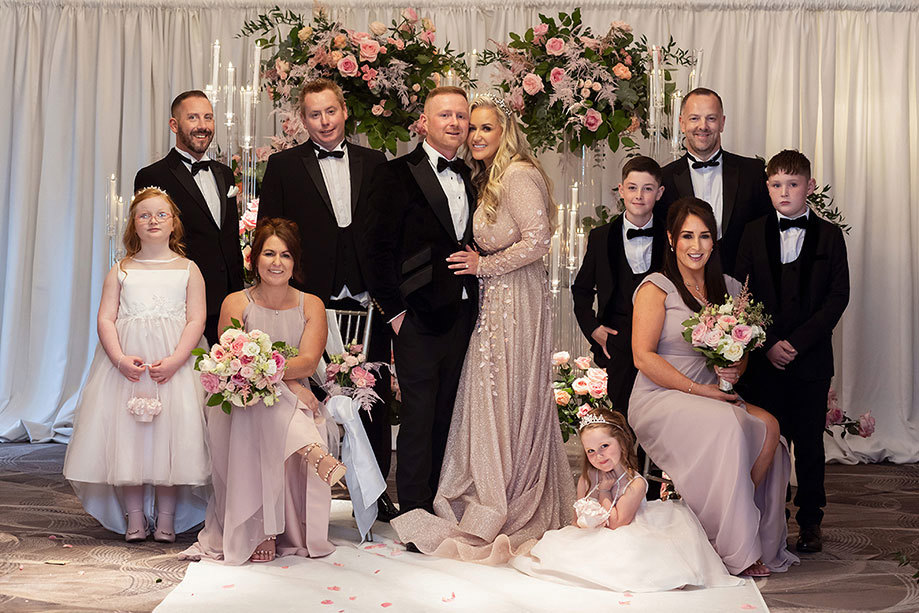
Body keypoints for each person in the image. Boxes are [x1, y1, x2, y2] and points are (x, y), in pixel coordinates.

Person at [390, 94, 575, 563]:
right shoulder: (487, 178)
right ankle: (492, 488)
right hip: (490, 304)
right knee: (489, 398)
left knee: (505, 394)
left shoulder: (518, 175)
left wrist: (483, 264)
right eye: (471, 127)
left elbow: (539, 241)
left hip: (515, 302)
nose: (474, 135)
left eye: (485, 128)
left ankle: (510, 496)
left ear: (505, 131)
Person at [629, 197, 799, 577]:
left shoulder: (730, 288)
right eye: (687, 235)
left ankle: (730, 525)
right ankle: (732, 546)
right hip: (662, 396)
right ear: (671, 240)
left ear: (714, 241)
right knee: (732, 426)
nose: (696, 245)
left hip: (715, 392)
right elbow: (643, 357)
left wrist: (738, 361)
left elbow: (742, 349)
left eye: (705, 236)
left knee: (771, 428)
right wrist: (697, 389)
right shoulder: (656, 287)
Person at [258, 78, 395, 521]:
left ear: (344, 112)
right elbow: (270, 231)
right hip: (308, 300)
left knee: (370, 396)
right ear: (303, 119)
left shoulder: (376, 163)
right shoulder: (282, 166)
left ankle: (373, 495)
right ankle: (305, 498)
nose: (324, 122)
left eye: (330, 112)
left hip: (367, 297)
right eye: (314, 114)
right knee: (307, 397)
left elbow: (390, 230)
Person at [180, 218, 344, 565]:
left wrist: (277, 376)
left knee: (272, 401)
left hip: (279, 400)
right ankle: (311, 453)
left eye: (285, 255)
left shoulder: (311, 304)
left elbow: (310, 360)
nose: (276, 262)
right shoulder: (236, 302)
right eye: (269, 253)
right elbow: (230, 360)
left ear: (294, 262)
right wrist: (289, 381)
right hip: (237, 402)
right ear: (254, 258)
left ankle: (266, 529)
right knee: (260, 399)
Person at [63, 187, 210, 543]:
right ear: (133, 224)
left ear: (174, 223)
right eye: (144, 215)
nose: (153, 220)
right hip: (130, 369)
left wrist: (177, 359)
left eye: (161, 214)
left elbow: (196, 320)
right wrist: (118, 358)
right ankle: (133, 519)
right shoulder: (121, 270)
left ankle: (166, 519)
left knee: (173, 441)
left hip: (172, 367)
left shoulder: (189, 270)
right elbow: (105, 320)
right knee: (129, 442)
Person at [364, 86, 479, 517]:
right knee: (418, 415)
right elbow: (375, 248)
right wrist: (394, 312)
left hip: (467, 311)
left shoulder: (474, 175)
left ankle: (439, 501)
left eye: (461, 116)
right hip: (415, 315)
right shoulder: (395, 174)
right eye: (445, 115)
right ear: (424, 123)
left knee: (449, 413)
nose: (454, 123)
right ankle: (414, 510)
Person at [736, 149, 850, 554]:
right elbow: (742, 297)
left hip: (811, 360)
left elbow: (837, 298)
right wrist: (766, 346)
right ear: (767, 188)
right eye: (776, 185)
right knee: (768, 440)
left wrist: (796, 344)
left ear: (810, 187)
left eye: (793, 184)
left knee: (809, 445)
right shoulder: (752, 233)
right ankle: (772, 516)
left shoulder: (830, 236)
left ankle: (811, 520)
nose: (785, 192)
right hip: (764, 363)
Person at [510, 409, 743, 591]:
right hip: (595, 533)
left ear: (621, 443)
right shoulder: (586, 477)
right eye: (590, 451)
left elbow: (617, 523)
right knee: (560, 554)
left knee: (627, 556)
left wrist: (604, 491)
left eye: (604, 446)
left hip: (628, 529)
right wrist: (582, 525)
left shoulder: (636, 484)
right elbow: (575, 519)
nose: (598, 456)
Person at [134, 90, 244, 345]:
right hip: (179, 300)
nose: (203, 126)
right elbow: (149, 243)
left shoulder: (225, 174)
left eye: (208, 117)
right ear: (174, 124)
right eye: (193, 118)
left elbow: (225, 236)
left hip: (229, 300)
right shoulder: (152, 176)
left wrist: (240, 294)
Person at [572, 156, 667, 415]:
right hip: (616, 346)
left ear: (659, 193)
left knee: (659, 419)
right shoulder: (601, 237)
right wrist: (593, 329)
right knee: (621, 418)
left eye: (647, 188)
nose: (639, 195)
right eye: (633, 187)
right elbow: (581, 291)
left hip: (662, 345)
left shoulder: (671, 236)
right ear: (621, 190)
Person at [657, 88, 772, 275]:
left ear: (722, 123)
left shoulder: (753, 172)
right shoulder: (664, 179)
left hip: (743, 288)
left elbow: (767, 237)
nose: (703, 126)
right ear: (682, 123)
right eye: (694, 118)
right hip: (682, 290)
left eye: (711, 118)